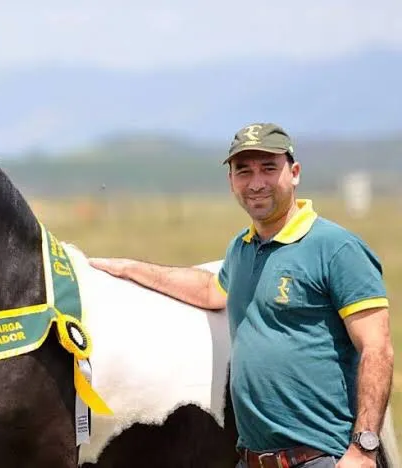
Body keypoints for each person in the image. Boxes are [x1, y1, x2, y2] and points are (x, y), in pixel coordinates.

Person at [89, 123, 394, 468]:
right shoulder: (243, 247)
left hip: (321, 458)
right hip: (250, 460)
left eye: (268, 168)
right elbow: (209, 290)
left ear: (294, 173)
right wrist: (129, 269)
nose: (256, 183)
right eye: (243, 171)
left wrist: (364, 448)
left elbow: (377, 347)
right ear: (231, 181)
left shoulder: (336, 249)